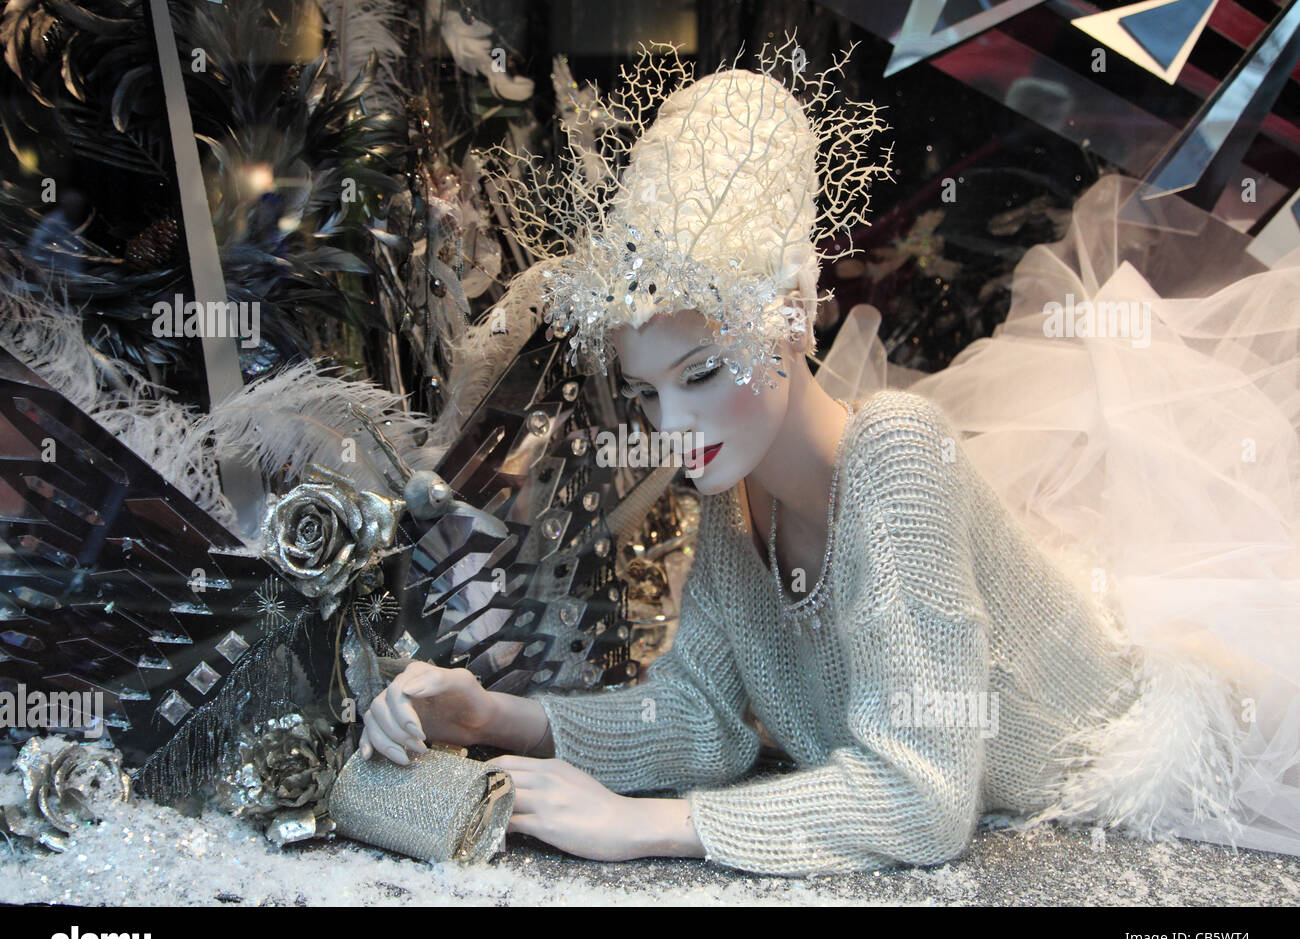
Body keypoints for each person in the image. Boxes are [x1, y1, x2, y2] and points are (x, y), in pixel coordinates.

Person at [358, 39, 1300, 876]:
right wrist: (493, 717)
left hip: (1133, 778)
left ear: (792, 319)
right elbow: (702, 719)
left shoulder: (895, 452)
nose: (674, 425)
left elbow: (927, 799)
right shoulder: (732, 500)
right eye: (647, 393)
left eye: (701, 371)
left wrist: (647, 827)